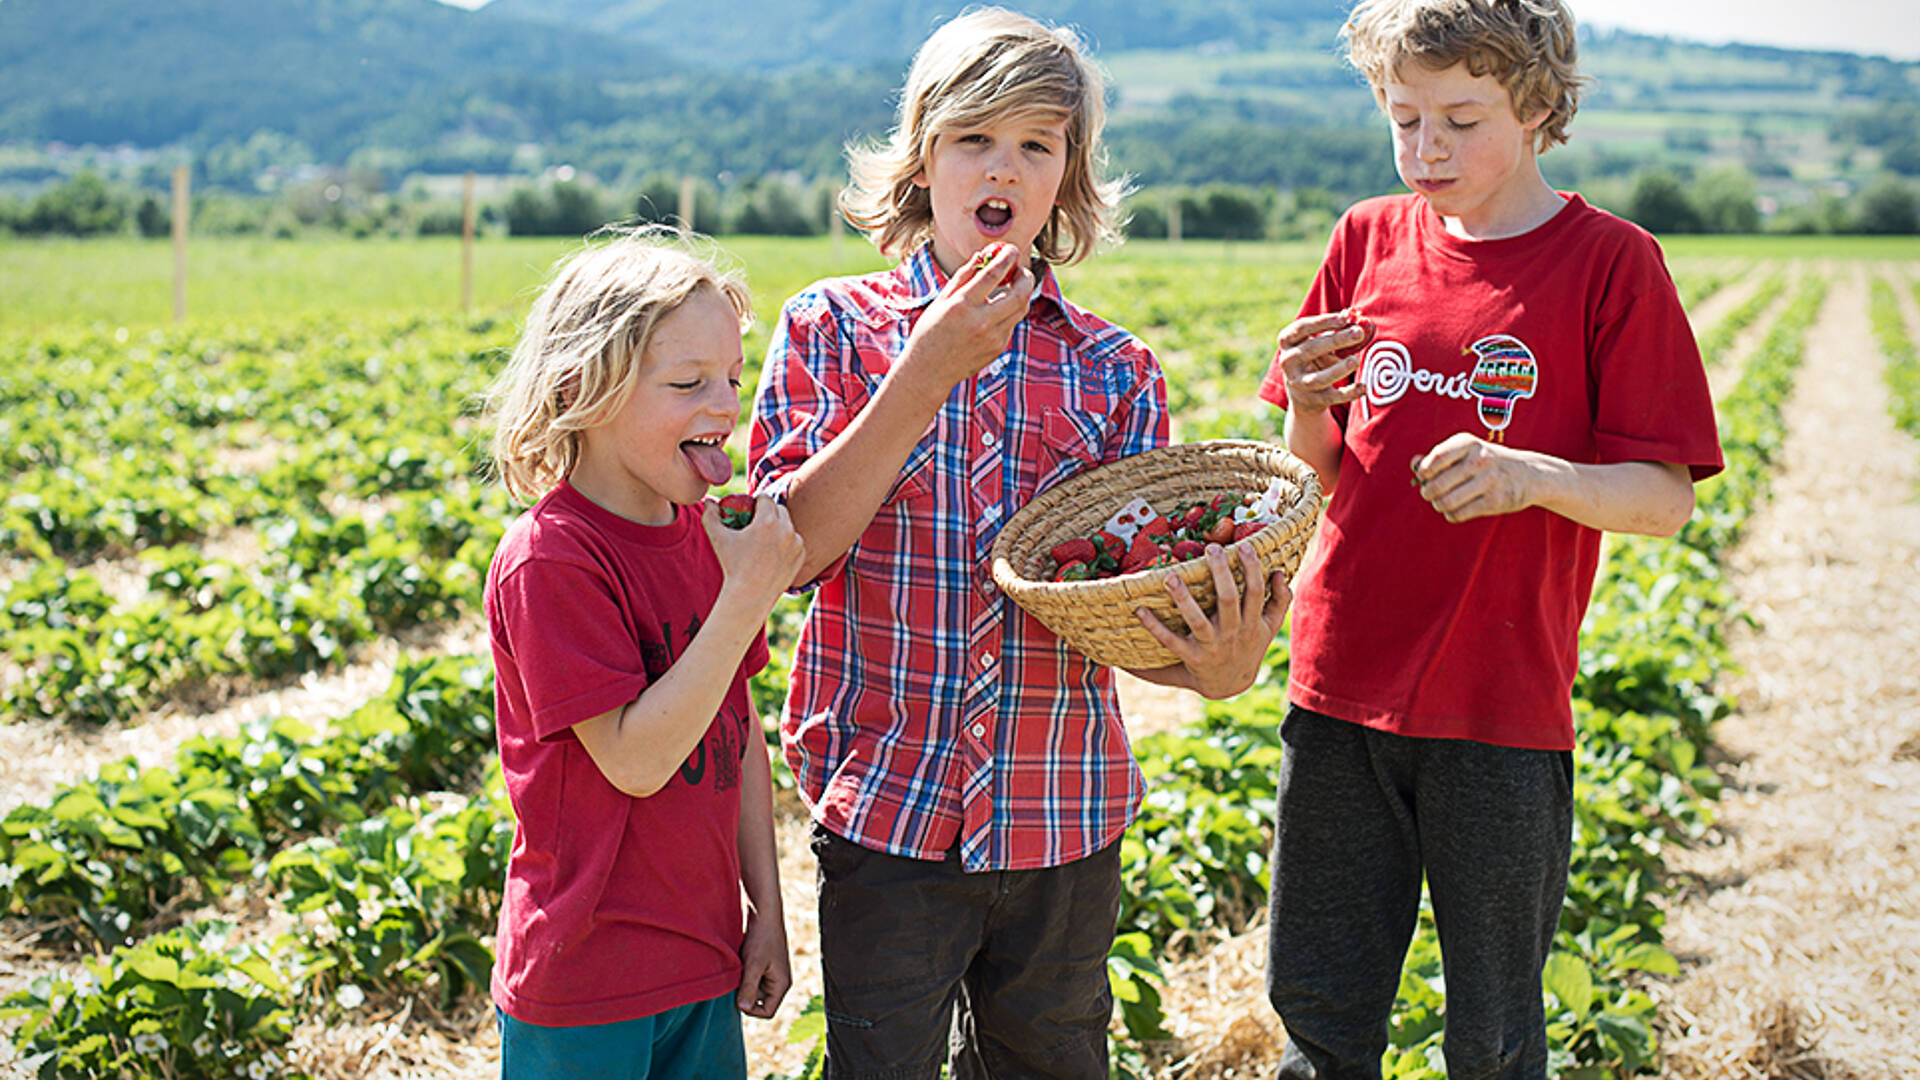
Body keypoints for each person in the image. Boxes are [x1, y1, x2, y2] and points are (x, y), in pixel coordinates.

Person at [747, 8, 1291, 1077]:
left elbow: (1126, 613)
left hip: (1063, 812)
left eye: (1037, 144)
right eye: (974, 139)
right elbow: (790, 551)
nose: (1004, 167)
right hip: (889, 811)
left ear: (1067, 176)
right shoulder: (834, 328)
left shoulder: (1113, 371)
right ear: (923, 159)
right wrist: (924, 372)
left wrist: (1216, 667)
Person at [1256, 1, 1725, 1077]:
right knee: (1319, 1010)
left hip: (1501, 701)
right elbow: (1318, 469)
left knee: (1495, 1028)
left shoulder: (1611, 263)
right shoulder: (1365, 238)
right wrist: (1305, 408)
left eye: (1462, 120)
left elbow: (1664, 499)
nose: (1427, 149)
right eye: (1405, 117)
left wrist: (1528, 478)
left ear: (1540, 104)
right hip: (1338, 685)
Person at [480, 229, 805, 1080]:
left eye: (732, 378)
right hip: (585, 977)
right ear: (584, 388)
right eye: (688, 383)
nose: (724, 407)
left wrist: (765, 908)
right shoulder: (553, 558)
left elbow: (739, 735)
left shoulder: (704, 538)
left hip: (699, 957)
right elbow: (634, 759)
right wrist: (745, 597)